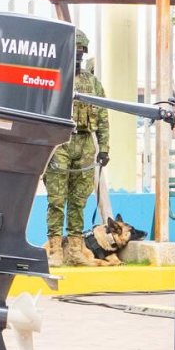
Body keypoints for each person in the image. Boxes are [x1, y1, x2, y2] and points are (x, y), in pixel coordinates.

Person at [44, 29, 110, 267]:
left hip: (85, 143)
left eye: (81, 53)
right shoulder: (54, 79)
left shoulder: (93, 83)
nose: (78, 58)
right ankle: (54, 249)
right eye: (75, 53)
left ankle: (75, 249)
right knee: (56, 199)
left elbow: (102, 116)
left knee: (79, 199)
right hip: (59, 142)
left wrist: (104, 148)